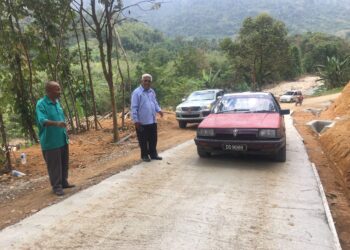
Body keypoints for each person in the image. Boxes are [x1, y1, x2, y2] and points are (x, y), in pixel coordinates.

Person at [36, 81, 75, 196]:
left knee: (64, 162)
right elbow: (42, 120)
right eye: (57, 89)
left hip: (62, 138)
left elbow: (61, 118)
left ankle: (64, 182)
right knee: (54, 165)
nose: (60, 91)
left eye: (59, 89)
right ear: (49, 91)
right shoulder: (41, 104)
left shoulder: (57, 102)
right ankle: (56, 186)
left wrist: (65, 131)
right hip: (50, 141)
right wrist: (56, 123)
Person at [131, 74, 163, 162]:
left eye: (149, 81)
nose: (147, 82)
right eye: (145, 80)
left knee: (153, 139)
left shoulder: (151, 91)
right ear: (141, 81)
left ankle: (153, 154)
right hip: (142, 122)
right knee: (143, 140)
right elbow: (134, 107)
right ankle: (144, 155)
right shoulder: (137, 93)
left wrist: (159, 110)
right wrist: (136, 120)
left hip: (152, 120)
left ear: (150, 82)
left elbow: (155, 102)